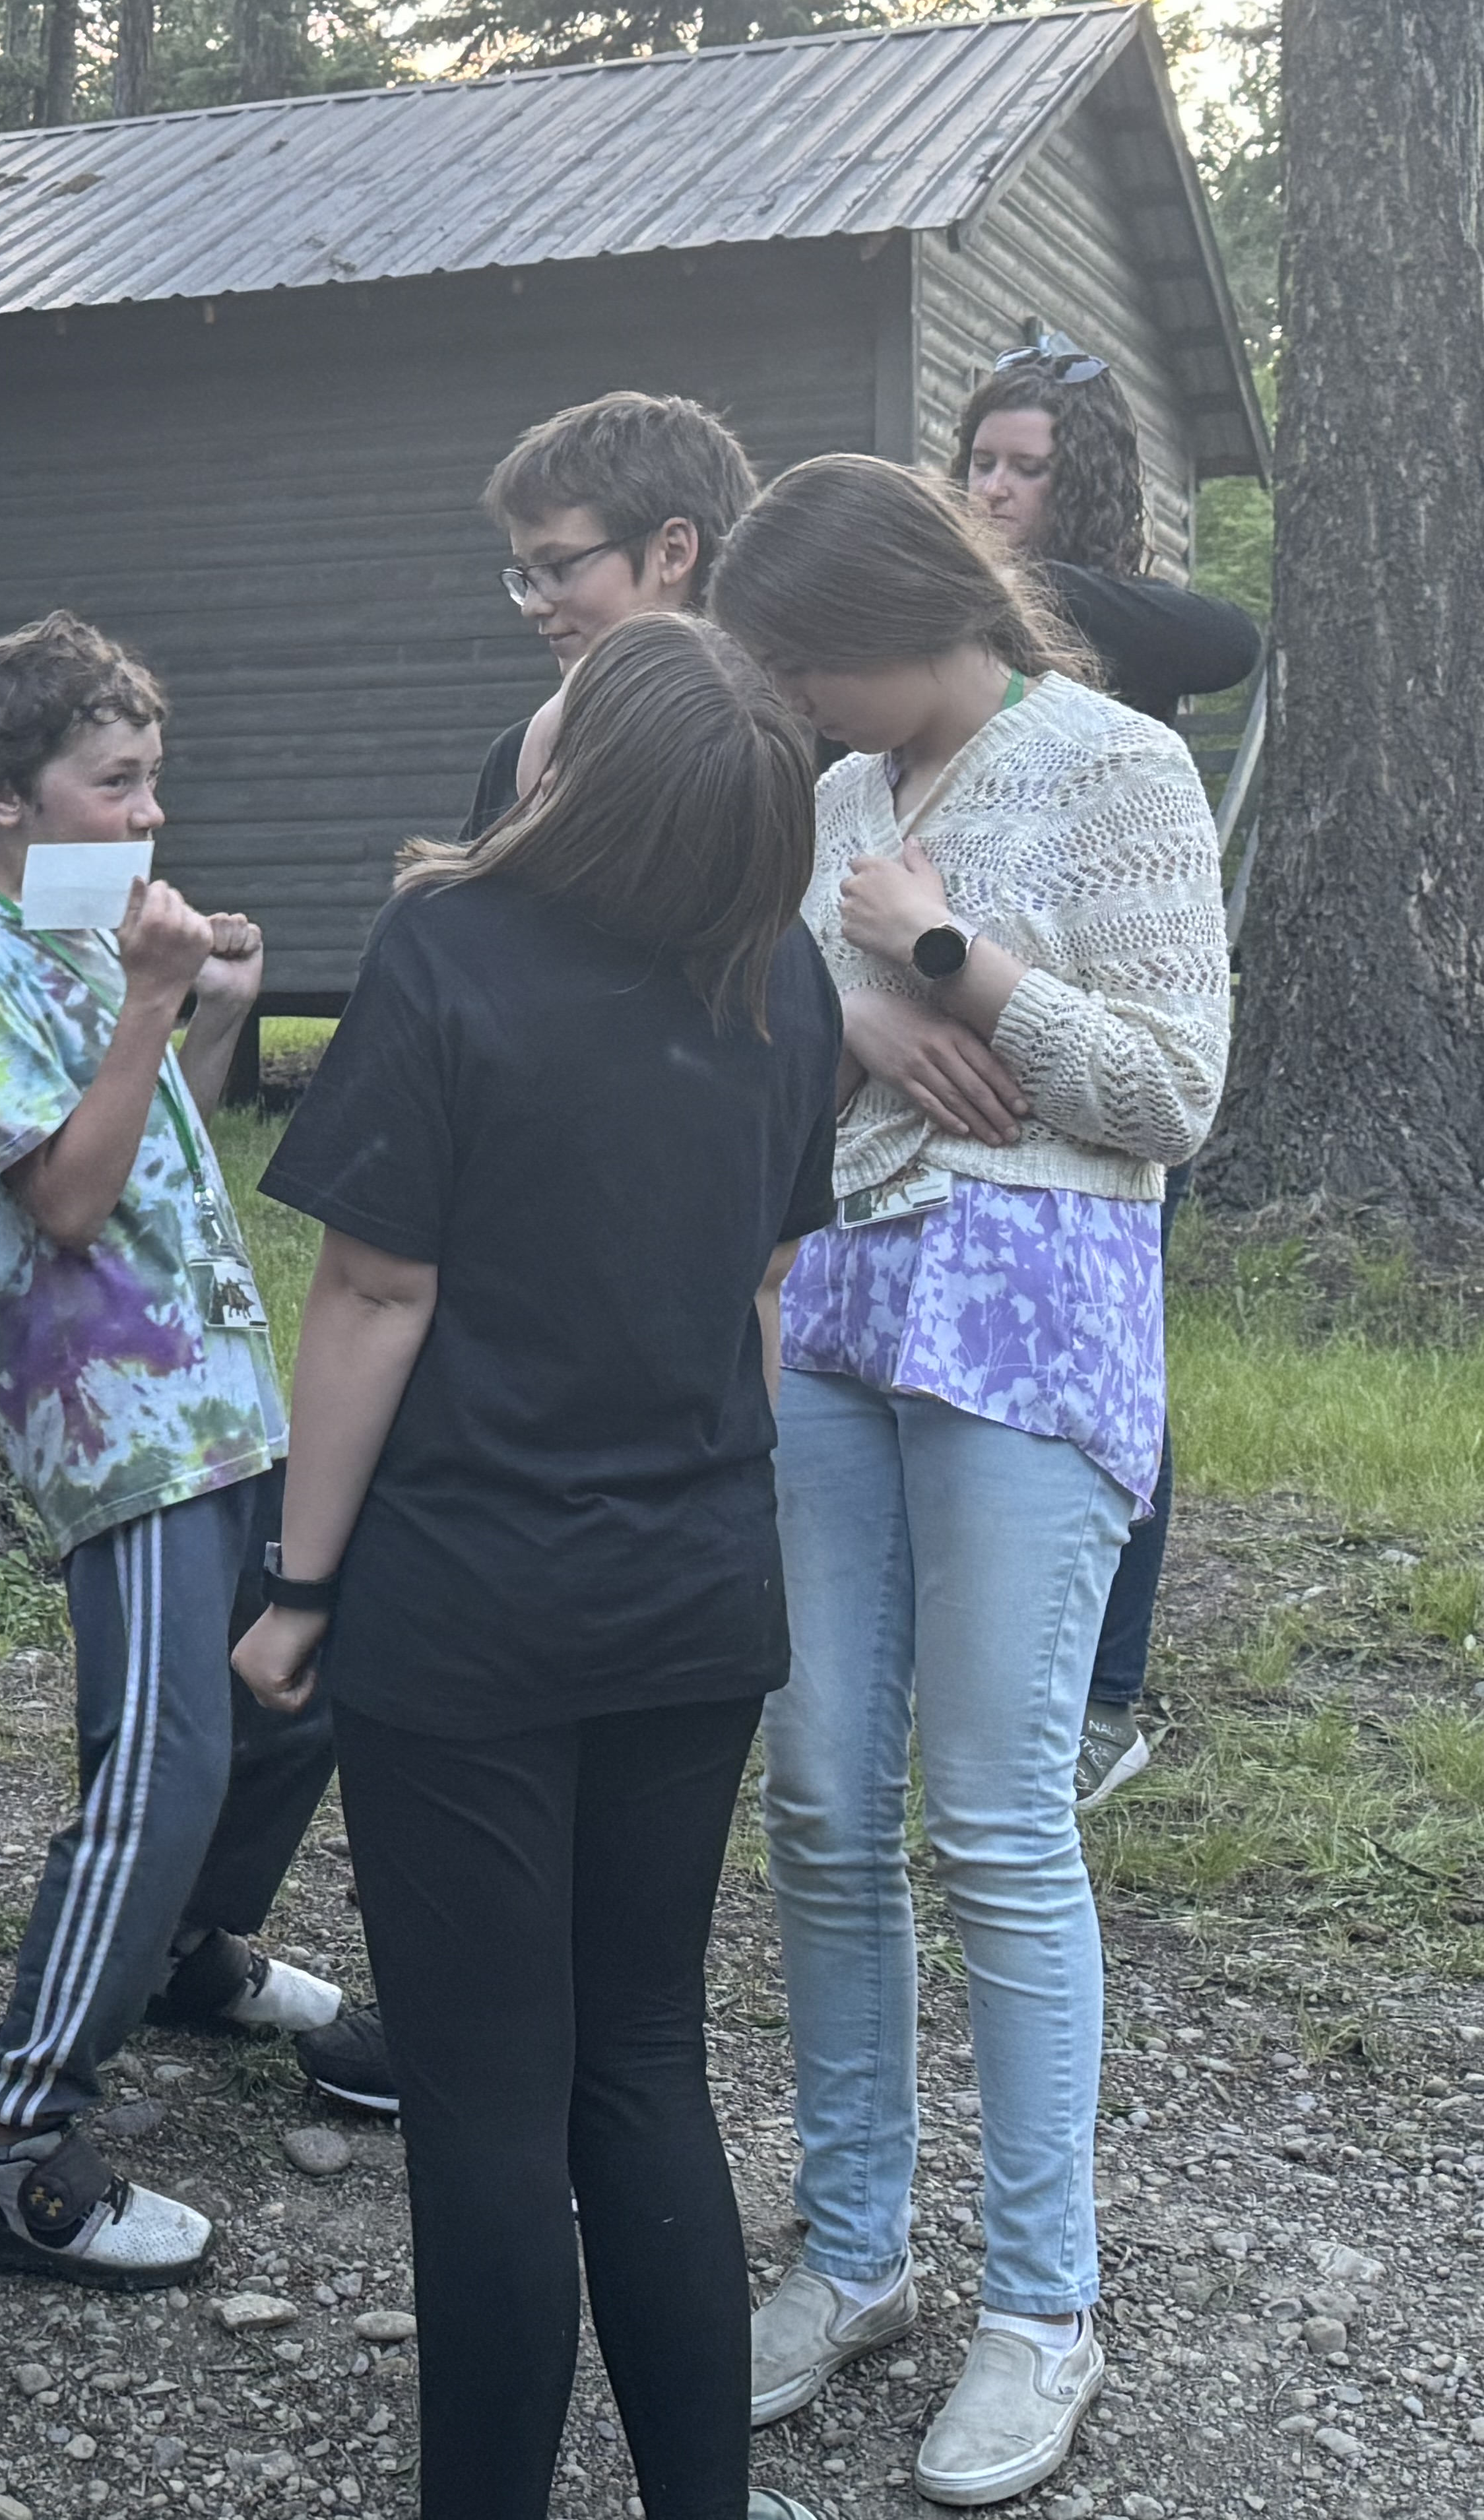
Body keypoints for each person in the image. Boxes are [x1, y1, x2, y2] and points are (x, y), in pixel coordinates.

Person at [230, 616, 841, 2520]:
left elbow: (378, 1290)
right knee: (645, 2064)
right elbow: (758, 1289)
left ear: (587, 773)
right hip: (697, 1589)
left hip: (472, 1601)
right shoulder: (788, 977)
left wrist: (299, 1582)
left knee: (491, 2106)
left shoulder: (449, 949)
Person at [713, 453, 1228, 2511]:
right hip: (837, 1309)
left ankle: (1040, 2306)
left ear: (881, 619)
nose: (795, 710)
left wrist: (947, 959)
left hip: (1031, 1304)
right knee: (821, 1791)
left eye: (797, 667)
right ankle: (852, 2255)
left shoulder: (1107, 764)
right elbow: (785, 1024)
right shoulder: (831, 799)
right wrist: (847, 992)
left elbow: (1170, 1089)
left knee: (994, 1811)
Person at [0, 611, 341, 2289]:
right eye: (117, 780)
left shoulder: (86, 940)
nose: (150, 813)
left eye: (156, 777)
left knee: (303, 1696)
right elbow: (67, 1200)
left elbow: (168, 1137)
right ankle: (7, 2142)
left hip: (219, 1398)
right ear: (7, 795)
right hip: (120, 1424)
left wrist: (199, 1008)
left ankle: (182, 1954)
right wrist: (158, 992)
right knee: (159, 1760)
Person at [950, 330, 1263, 1806]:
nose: (996, 489)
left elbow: (1235, 639)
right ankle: (1005, 1668)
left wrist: (1028, 588)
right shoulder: (953, 614)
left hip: (1127, 1035)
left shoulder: (1111, 623)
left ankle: (1106, 1698)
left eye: (1029, 470)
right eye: (983, 463)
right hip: (986, 1016)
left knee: (1109, 1356)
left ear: (1081, 488)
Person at [464, 391, 761, 838]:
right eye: (526, 576)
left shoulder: (805, 756)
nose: (532, 606)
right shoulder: (519, 759)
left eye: (559, 565)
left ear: (673, 552)